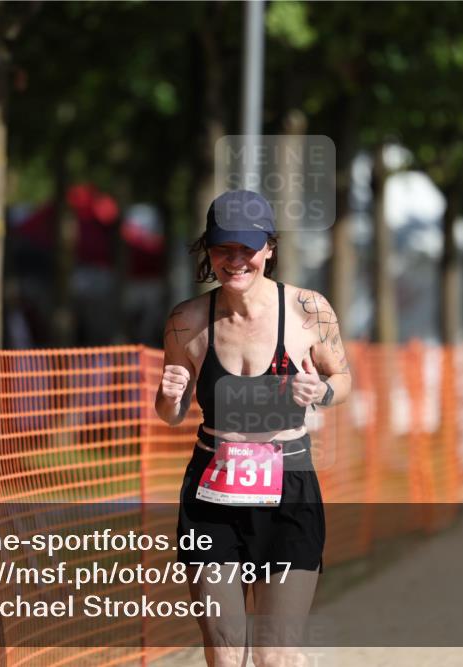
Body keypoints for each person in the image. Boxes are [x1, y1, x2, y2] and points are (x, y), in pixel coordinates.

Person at [154, 190, 351, 667]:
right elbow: (171, 413)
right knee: (225, 654)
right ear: (208, 250)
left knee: (274, 656)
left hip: (289, 489)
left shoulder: (308, 311)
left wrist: (321, 391)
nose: (236, 260)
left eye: (248, 248)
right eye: (224, 248)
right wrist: (168, 394)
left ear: (269, 247)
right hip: (212, 493)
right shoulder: (187, 321)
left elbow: (343, 380)